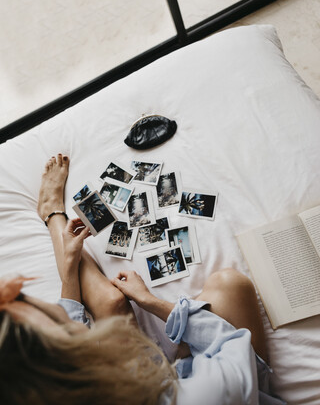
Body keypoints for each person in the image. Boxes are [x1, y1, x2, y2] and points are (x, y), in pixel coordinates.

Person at [0, 154, 285, 405]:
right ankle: (52, 214)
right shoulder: (210, 395)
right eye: (72, 329)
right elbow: (230, 345)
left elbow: (70, 321)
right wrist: (150, 302)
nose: (78, 324)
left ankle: (52, 214)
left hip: (149, 385)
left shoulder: (50, 391)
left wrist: (70, 264)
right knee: (228, 285)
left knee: (109, 302)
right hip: (229, 390)